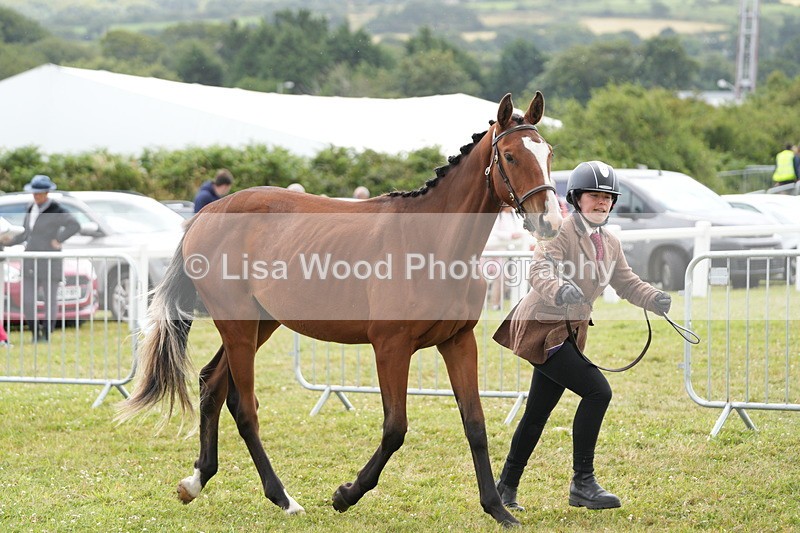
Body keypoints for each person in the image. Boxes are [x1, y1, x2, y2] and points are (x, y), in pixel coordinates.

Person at [492, 161, 672, 512]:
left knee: (537, 412)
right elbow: (540, 270)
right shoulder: (557, 231)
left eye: (608, 197)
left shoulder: (610, 242)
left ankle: (505, 486)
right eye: (594, 196)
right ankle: (583, 483)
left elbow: (626, 282)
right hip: (542, 329)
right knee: (597, 391)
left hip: (568, 334)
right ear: (576, 198)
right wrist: (561, 290)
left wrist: (654, 298)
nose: (601, 203)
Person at [0, 175, 81, 342]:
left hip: (50, 260)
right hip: (31, 260)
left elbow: (75, 224)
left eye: (39, 193)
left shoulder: (57, 209)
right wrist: (9, 241)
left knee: (50, 300)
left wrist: (59, 239)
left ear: (46, 193)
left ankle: (46, 334)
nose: (36, 196)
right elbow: (26, 233)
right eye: (34, 193)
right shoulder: (31, 208)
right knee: (28, 300)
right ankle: (35, 331)